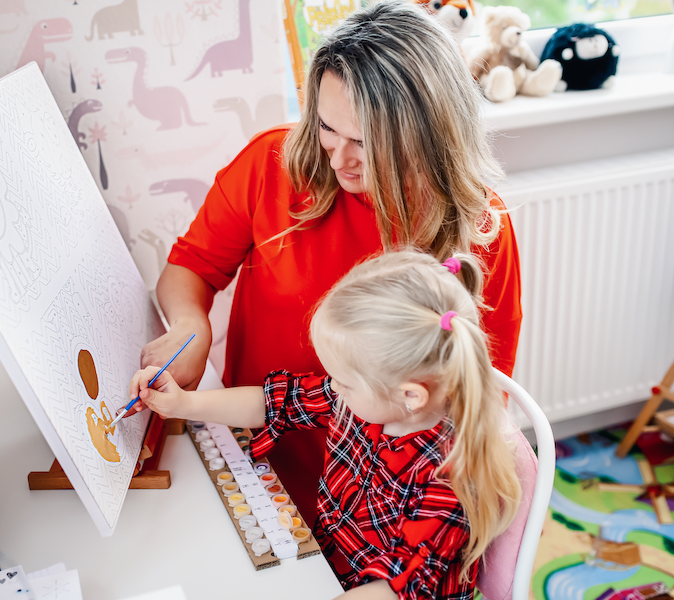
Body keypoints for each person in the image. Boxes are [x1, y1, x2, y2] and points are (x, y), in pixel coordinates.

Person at [140, 0, 522, 524]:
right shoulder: (271, 165)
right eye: (326, 127)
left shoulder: (480, 226)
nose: (337, 158)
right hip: (257, 456)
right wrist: (192, 327)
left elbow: (483, 389)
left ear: (430, 135)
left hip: (386, 501)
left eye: (365, 143)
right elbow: (192, 266)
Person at [130, 250, 522, 599]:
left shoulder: (449, 483)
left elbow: (396, 588)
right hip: (332, 570)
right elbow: (274, 403)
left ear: (411, 396)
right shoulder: (365, 402)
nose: (333, 387)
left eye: (346, 381)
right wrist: (184, 402)